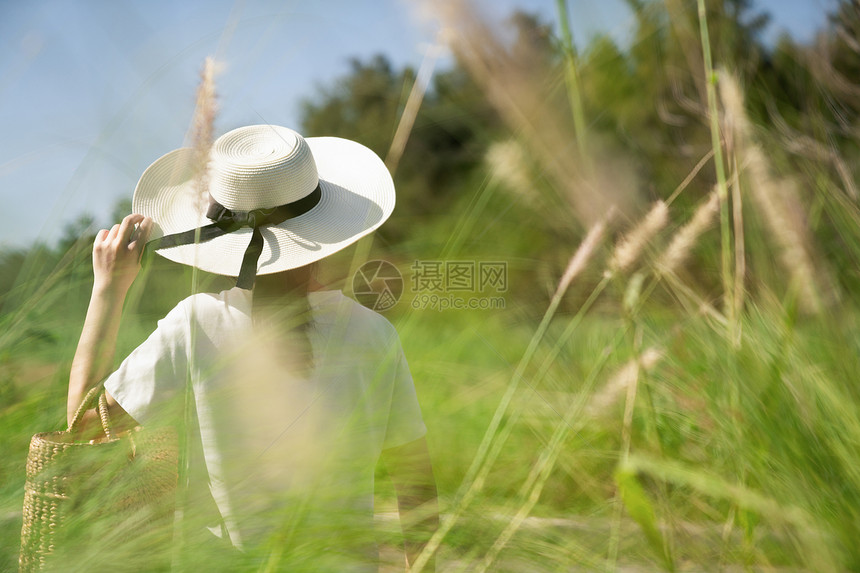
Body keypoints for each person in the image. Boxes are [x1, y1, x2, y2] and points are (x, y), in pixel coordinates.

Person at [66, 125, 438, 571]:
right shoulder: (376, 334)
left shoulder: (196, 323)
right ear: (324, 230)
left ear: (225, 234)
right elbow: (417, 487)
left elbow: (82, 428)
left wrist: (108, 289)